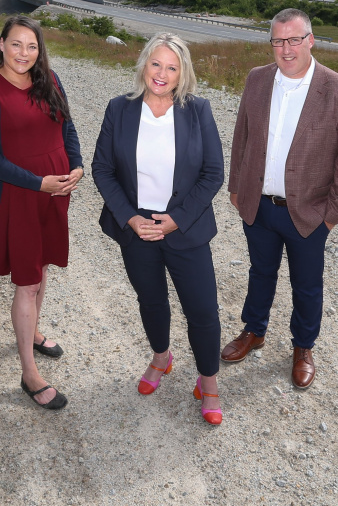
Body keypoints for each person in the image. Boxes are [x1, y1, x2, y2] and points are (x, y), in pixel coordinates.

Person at [220, 8, 338, 389]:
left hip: (308, 214)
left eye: (294, 39)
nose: (286, 49)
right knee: (260, 273)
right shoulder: (256, 80)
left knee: (306, 284)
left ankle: (303, 347)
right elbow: (242, 138)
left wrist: (331, 216)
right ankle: (254, 331)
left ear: (311, 40)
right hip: (258, 205)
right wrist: (237, 189)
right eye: (278, 41)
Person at [92, 33, 226, 425]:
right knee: (151, 301)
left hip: (185, 227)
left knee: (202, 309)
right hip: (137, 228)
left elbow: (213, 173)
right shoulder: (120, 108)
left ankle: (209, 381)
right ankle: (161, 358)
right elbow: (102, 169)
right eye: (156, 64)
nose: (162, 74)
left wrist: (177, 219)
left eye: (171, 67)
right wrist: (131, 218)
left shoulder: (198, 110)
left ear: (182, 72)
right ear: (143, 64)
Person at [0, 15, 83, 411]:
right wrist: (37, 183)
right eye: (16, 44)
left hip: (55, 190)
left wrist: (77, 164)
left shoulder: (49, 78)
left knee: (42, 266)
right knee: (27, 280)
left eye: (31, 46)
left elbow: (67, 127)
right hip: (20, 193)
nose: (24, 54)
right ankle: (29, 374)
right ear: (1, 44)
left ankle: (31, 332)